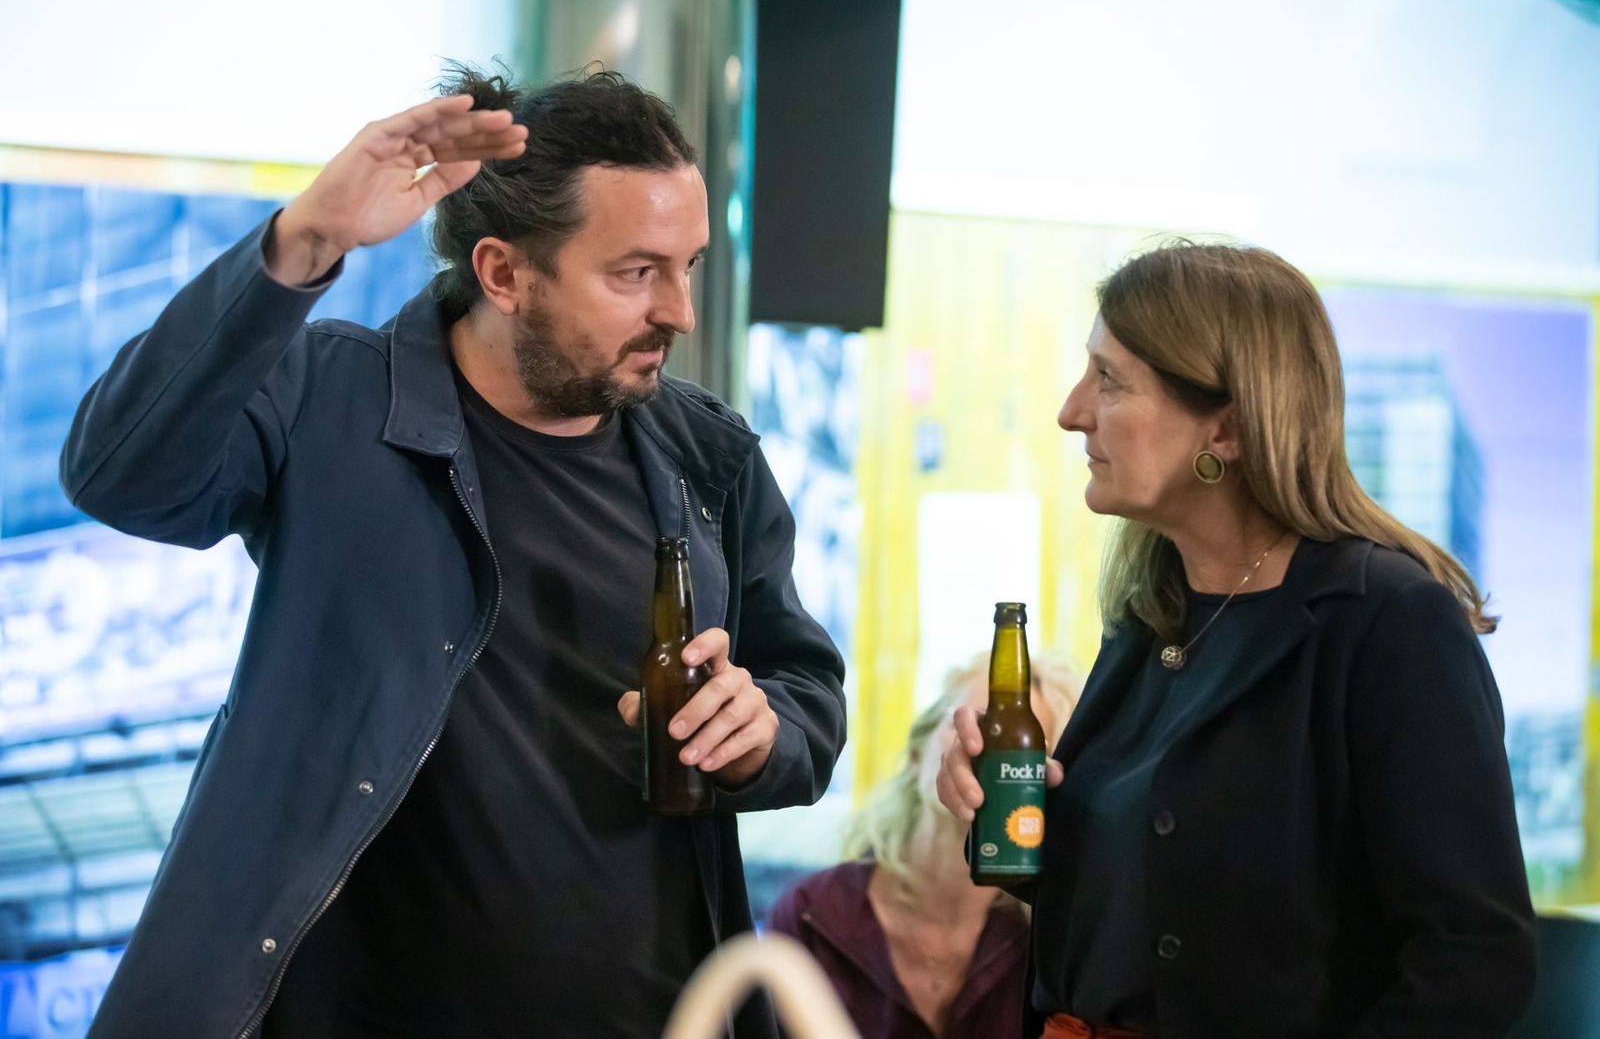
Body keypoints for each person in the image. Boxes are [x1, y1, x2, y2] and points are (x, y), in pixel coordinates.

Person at [61, 65, 846, 1038]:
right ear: (504, 274)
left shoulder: (710, 457)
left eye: (686, 266)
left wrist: (765, 732)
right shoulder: (329, 398)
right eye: (635, 273)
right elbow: (121, 474)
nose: (678, 312)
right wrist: (304, 240)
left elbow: (804, 689)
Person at [936, 242, 1536, 1039]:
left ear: (1226, 429)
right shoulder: (1153, 611)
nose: (1072, 411)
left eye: (1109, 380)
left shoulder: (1388, 622)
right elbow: (1161, 909)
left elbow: (1475, 959)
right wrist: (1011, 814)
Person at [771, 653, 1082, 1038]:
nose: (984, 752)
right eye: (975, 724)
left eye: (1016, 745)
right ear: (919, 750)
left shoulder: (1051, 946)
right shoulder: (811, 915)